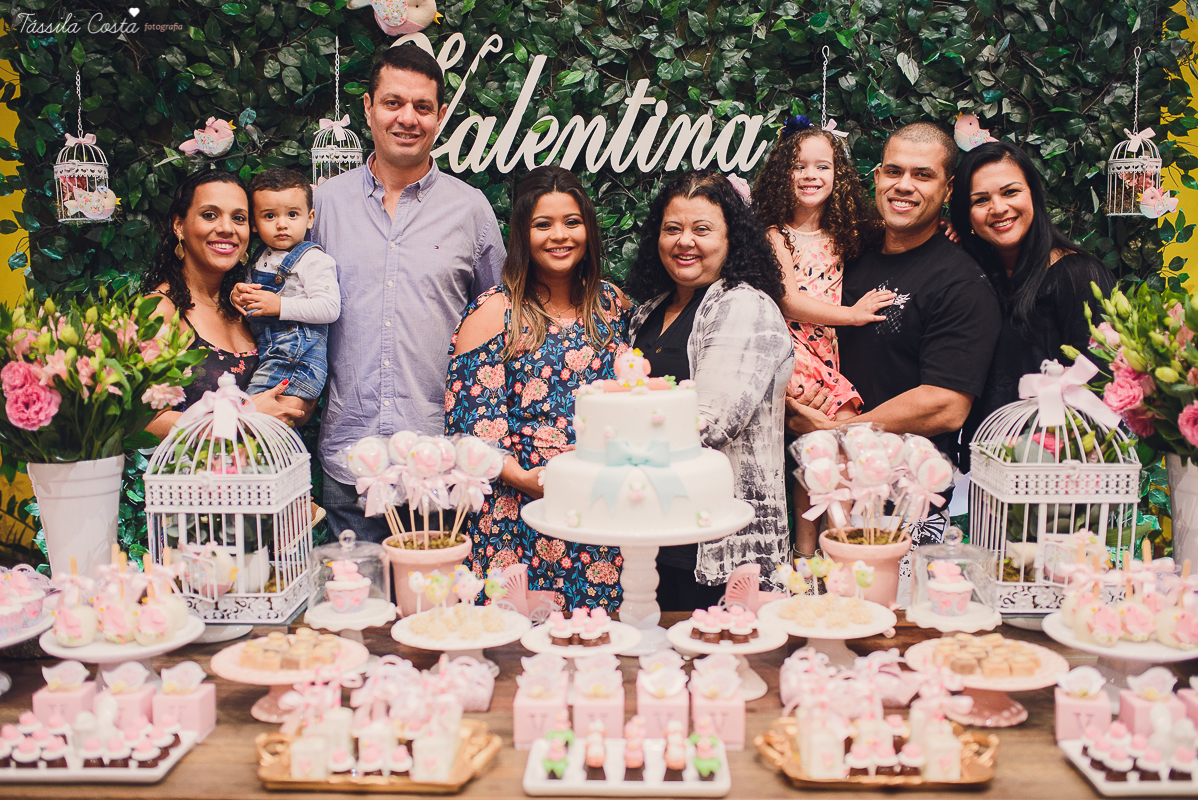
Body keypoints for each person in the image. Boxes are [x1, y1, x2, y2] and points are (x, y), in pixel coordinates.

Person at [313, 44, 506, 543]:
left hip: (442, 465)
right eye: (393, 102)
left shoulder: (471, 210)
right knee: (357, 613)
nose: (407, 118)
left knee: (437, 616)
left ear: (440, 115)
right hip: (348, 459)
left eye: (422, 107)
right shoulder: (324, 204)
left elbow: (499, 322)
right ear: (368, 107)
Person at [785, 123, 1002, 542]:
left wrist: (840, 430)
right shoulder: (847, 251)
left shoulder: (960, 283)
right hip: (815, 475)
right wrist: (798, 407)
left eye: (922, 175)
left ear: (949, 187)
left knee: (890, 607)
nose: (904, 185)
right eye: (893, 171)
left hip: (903, 500)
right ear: (877, 177)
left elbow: (945, 404)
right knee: (811, 599)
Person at [446, 165, 629, 611]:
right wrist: (526, 480)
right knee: (518, 654)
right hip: (518, 511)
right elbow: (469, 428)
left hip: (600, 510)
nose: (559, 235)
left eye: (571, 221)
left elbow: (636, 402)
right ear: (522, 236)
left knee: (597, 647)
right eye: (542, 224)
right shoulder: (494, 313)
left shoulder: (613, 304)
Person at [625, 170, 794, 611]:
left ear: (731, 238)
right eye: (672, 229)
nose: (685, 242)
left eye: (702, 229)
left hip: (717, 541)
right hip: (653, 532)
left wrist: (608, 445)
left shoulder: (743, 304)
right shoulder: (648, 311)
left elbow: (711, 423)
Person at [752, 114, 891, 555]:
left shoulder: (843, 231)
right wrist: (852, 315)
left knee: (818, 451)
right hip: (794, 354)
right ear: (781, 174)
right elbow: (789, 301)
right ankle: (846, 547)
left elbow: (901, 233)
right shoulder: (776, 235)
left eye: (822, 166)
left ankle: (809, 556)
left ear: (839, 175)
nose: (811, 175)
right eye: (798, 165)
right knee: (844, 440)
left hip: (825, 356)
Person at [948, 141, 1114, 424]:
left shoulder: (1077, 275)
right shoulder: (979, 275)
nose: (998, 208)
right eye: (980, 200)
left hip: (1054, 458)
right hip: (985, 458)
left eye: (1010, 192)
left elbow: (1102, 385)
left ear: (1034, 195)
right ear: (968, 216)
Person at [142, 170, 310, 439]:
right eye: (210, 215)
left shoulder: (246, 305)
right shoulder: (161, 311)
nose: (227, 228)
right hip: (195, 477)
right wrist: (245, 418)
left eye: (239, 218)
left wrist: (297, 401)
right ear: (179, 225)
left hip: (269, 477)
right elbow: (144, 419)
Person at [230, 168, 340, 414]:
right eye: (269, 216)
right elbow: (251, 297)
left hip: (297, 362)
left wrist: (280, 306)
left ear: (309, 218)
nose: (281, 224)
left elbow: (330, 308)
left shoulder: (312, 260)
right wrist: (237, 294)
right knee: (261, 422)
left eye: (292, 214)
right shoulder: (258, 258)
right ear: (254, 223)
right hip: (272, 356)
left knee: (246, 414)